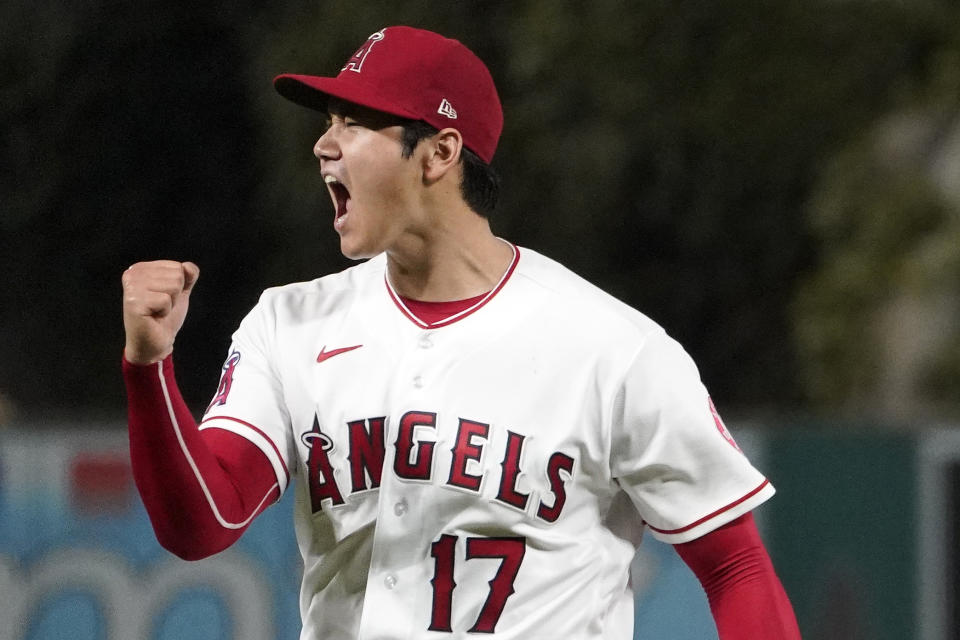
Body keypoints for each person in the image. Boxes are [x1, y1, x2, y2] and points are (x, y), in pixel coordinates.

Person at [121, 25, 801, 640]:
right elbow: (200, 524)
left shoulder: (613, 350)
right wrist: (149, 369)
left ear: (439, 153)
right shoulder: (290, 323)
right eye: (329, 122)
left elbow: (735, 564)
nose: (323, 144)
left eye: (355, 123)